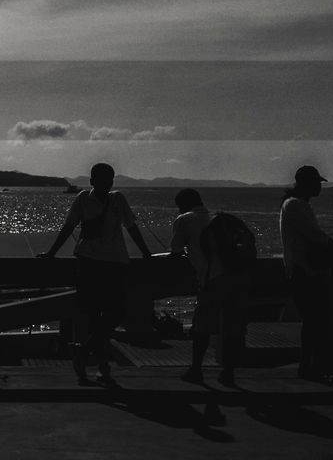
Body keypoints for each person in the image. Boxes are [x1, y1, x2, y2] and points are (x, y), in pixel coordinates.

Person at [39, 162, 152, 385]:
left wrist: (146, 252)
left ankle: (84, 351)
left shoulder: (117, 199)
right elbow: (69, 226)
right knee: (95, 316)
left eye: (108, 179)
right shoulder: (83, 198)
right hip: (90, 261)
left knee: (116, 312)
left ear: (112, 181)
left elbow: (131, 227)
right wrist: (52, 252)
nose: (105, 183)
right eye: (101, 179)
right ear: (92, 181)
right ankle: (103, 367)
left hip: (114, 262)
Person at [169, 188, 249, 386]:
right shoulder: (217, 217)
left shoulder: (185, 219)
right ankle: (228, 373)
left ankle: (196, 370)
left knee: (202, 327)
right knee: (231, 327)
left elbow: (176, 249)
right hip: (237, 275)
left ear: (183, 205)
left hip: (212, 278)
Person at [279, 165, 333, 381]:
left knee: (313, 320)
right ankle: (310, 366)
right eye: (317, 183)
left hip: (303, 269)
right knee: (314, 320)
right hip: (304, 271)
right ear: (307, 184)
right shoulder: (297, 206)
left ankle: (311, 365)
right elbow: (316, 235)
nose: (320, 187)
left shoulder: (295, 204)